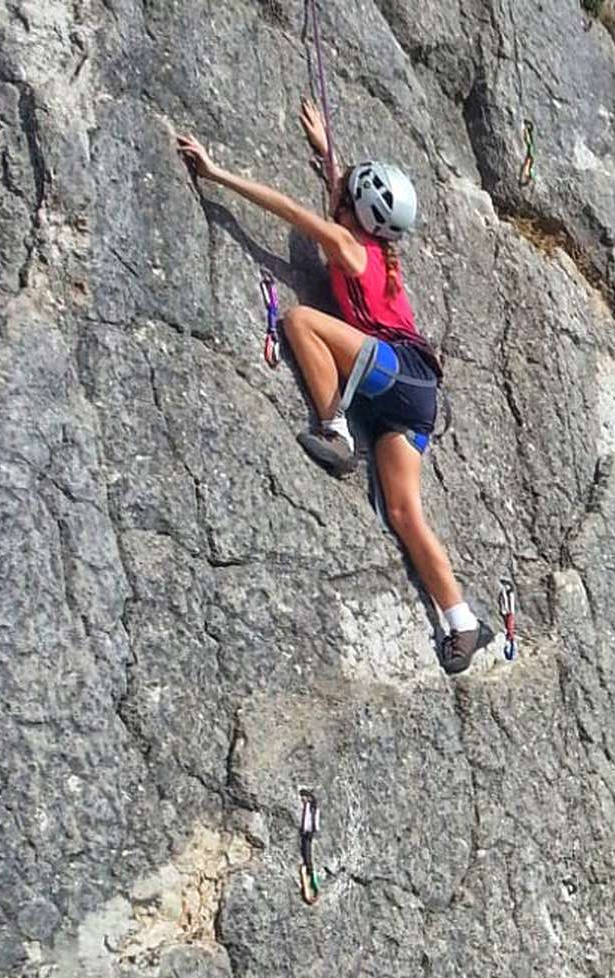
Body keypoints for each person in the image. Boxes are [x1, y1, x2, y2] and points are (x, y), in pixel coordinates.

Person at [174, 102, 491, 674]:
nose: (336, 195)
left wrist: (216, 174)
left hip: (395, 371)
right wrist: (327, 156)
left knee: (298, 322)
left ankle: (336, 428)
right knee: (402, 510)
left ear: (353, 210)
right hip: (414, 394)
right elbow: (344, 203)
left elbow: (294, 213)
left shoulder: (348, 247)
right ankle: (463, 621)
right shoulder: (371, 248)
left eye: (342, 193)